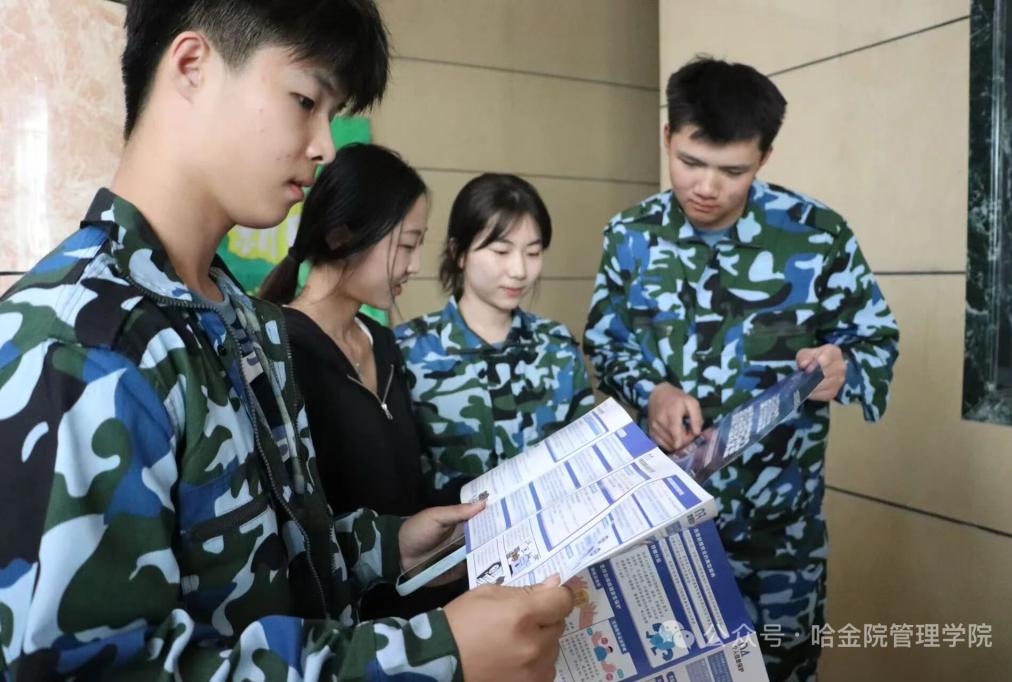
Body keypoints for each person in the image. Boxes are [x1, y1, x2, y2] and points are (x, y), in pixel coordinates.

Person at [0, 1, 571, 679]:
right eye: (305, 101)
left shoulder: (245, 322)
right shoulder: (82, 344)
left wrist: (393, 547)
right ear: (193, 65)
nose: (325, 146)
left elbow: (271, 563)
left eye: (332, 114)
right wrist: (431, 655)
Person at [583, 56, 899, 681]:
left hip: (779, 535)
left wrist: (845, 366)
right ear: (667, 137)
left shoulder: (816, 235)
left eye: (733, 171)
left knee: (783, 669)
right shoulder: (630, 235)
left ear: (764, 157)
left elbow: (875, 340)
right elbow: (604, 341)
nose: (707, 187)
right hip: (662, 524)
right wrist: (652, 392)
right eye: (690, 162)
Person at [395, 173, 595, 502]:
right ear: (459, 252)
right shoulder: (407, 350)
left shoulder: (557, 345)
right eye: (501, 251)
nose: (519, 270)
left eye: (533, 253)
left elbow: (587, 459)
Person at [260, 143, 431, 518]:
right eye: (406, 245)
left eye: (419, 244)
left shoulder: (381, 341)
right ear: (340, 237)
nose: (415, 265)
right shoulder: (281, 352)